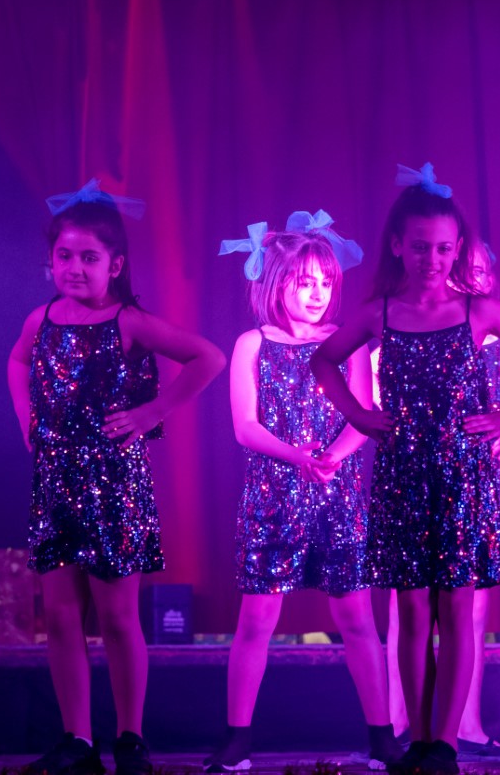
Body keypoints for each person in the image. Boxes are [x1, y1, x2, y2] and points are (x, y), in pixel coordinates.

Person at [309, 164, 500, 775]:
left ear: (458, 249)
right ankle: (419, 740)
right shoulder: (379, 314)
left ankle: (445, 744)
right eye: (421, 246)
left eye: (445, 248)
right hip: (403, 475)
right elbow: (323, 361)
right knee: (412, 610)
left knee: (455, 610)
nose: (433, 258)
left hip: (462, 479)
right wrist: (358, 413)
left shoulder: (479, 311)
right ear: (398, 245)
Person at [8, 180, 225, 775]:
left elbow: (208, 357)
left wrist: (153, 412)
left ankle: (130, 738)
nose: (75, 268)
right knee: (60, 616)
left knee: (117, 617)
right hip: (55, 483)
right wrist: (27, 418)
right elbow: (18, 361)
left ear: (116, 265)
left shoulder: (128, 321)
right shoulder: (41, 319)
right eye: (65, 256)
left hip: (113, 486)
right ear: (50, 259)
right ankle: (78, 741)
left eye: (89, 258)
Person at [205, 214, 400, 772]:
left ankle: (382, 738)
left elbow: (363, 414)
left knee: (358, 620)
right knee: (256, 622)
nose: (317, 293)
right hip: (272, 500)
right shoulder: (252, 344)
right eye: (304, 282)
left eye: (326, 283)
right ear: (277, 283)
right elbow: (245, 426)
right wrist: (299, 458)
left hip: (337, 499)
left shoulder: (347, 344)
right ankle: (237, 741)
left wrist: (331, 458)